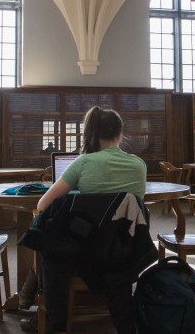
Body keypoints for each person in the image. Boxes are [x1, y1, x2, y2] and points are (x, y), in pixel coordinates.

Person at [20, 106, 147, 333]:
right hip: (123, 253)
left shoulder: (83, 163)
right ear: (120, 133)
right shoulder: (139, 165)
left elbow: (42, 205)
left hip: (85, 254)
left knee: (50, 241)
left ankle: (54, 321)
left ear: (91, 134)